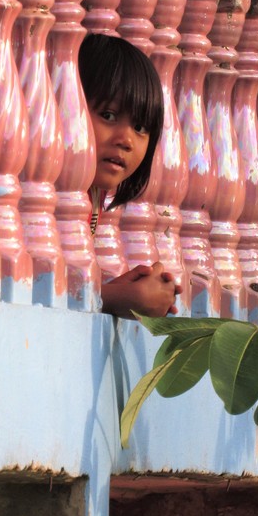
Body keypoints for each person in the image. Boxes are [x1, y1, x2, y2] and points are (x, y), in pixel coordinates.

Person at [79, 33, 181, 318]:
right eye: (108, 116)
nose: (126, 140)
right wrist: (111, 297)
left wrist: (127, 291)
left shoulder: (94, 195)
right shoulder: (47, 195)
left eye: (140, 126)